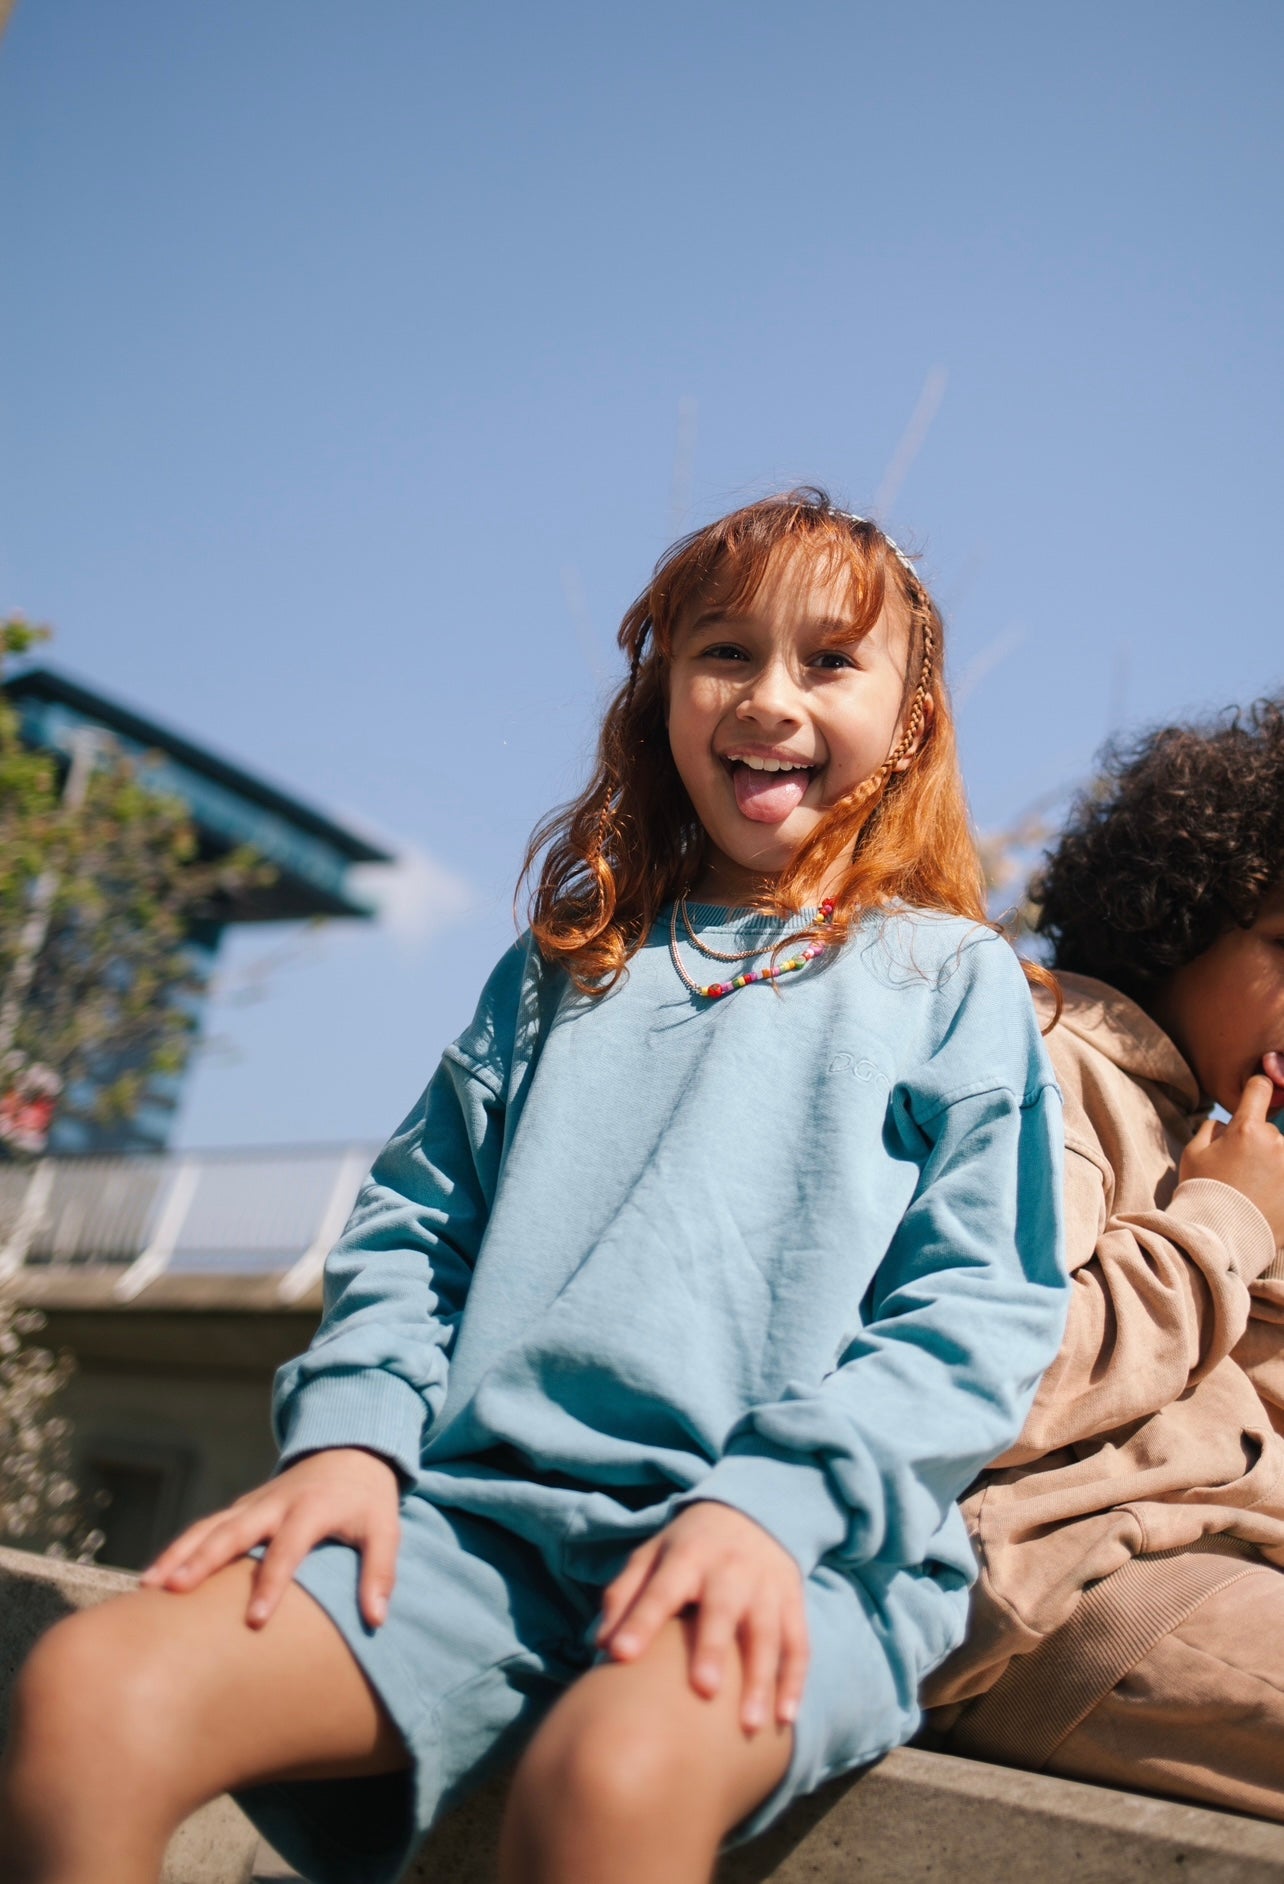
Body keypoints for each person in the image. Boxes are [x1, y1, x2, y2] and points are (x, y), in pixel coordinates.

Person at [0, 491, 1066, 1884]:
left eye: (829, 660)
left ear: (913, 718)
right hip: (472, 1535)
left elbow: (976, 1307)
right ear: (665, 691)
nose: (770, 697)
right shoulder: (568, 968)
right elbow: (413, 1229)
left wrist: (774, 1507)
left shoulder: (952, 982)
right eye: (725, 652)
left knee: (605, 1780)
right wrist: (354, 1437)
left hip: (786, 1557)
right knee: (92, 1689)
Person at [925, 700, 1284, 1820]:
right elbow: (1004, 1383)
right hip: (1083, 1600)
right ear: (1181, 916)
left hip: (1196, 1578)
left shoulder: (1211, 1138)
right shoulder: (1056, 1062)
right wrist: (1219, 1223)